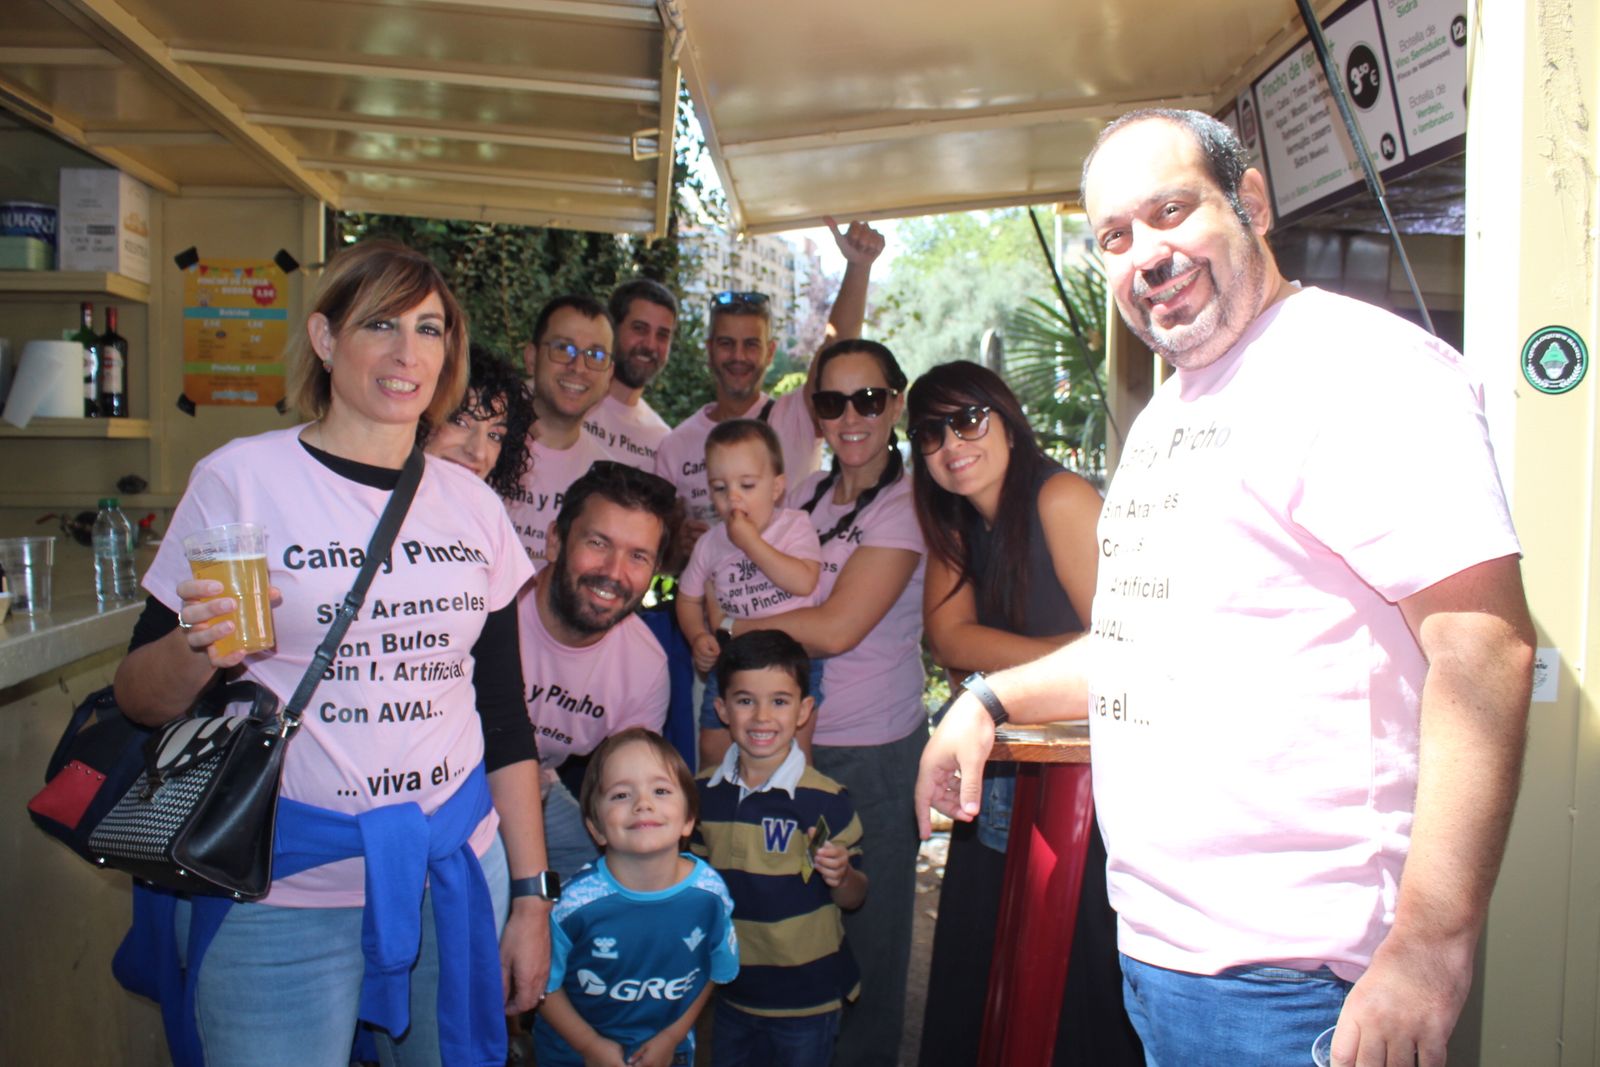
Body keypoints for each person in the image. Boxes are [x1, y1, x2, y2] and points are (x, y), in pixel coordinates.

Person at [916, 109, 1535, 1067]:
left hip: (1300, 986)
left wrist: (1429, 947)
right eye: (1115, 236)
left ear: (1250, 202)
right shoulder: (1171, 409)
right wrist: (988, 700)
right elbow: (1143, 644)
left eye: (1171, 211)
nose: (1147, 254)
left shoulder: (1361, 370)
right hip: (1163, 958)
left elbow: (1484, 647)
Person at [110, 239, 554, 1067]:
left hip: (452, 876)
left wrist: (531, 894)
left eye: (429, 329)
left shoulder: (473, 507)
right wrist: (201, 647)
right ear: (324, 338)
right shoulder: (242, 480)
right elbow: (138, 696)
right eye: (380, 324)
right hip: (281, 890)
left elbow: (503, 715)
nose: (407, 352)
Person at [907, 361, 1138, 1066]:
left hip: (1086, 786)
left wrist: (1001, 679)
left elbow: (1125, 647)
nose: (952, 443)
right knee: (985, 977)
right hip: (1003, 770)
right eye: (930, 433)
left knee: (1072, 988)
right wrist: (1060, 666)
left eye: (968, 420)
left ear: (1007, 420)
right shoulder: (955, 521)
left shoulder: (1058, 497)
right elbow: (949, 640)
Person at [731, 338, 924, 1067]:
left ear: (895, 404)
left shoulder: (907, 505)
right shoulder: (805, 493)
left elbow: (839, 627)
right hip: (786, 749)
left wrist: (733, 629)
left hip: (872, 754)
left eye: (867, 399)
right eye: (832, 401)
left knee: (868, 944)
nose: (850, 417)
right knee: (787, 935)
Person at [653, 218, 884, 558]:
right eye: (727, 344)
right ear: (709, 349)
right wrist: (679, 546)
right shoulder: (674, 446)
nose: (738, 356)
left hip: (795, 588)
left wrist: (858, 267)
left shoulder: (795, 417)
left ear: (770, 352)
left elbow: (834, 352)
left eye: (751, 344)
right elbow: (658, 551)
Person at [691, 630, 865, 1067]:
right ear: (722, 709)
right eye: (745, 700)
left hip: (808, 998)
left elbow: (855, 896)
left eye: (780, 701)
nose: (762, 716)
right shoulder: (700, 796)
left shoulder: (826, 800)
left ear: (804, 711)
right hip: (733, 992)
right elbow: (696, 886)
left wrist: (842, 875)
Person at [534, 728, 739, 1067]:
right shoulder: (572, 906)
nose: (643, 804)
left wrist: (672, 1037)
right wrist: (588, 1045)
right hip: (574, 1055)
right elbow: (541, 984)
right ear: (596, 827)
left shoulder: (710, 895)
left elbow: (714, 969)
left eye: (661, 791)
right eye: (620, 795)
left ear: (689, 819)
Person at [516, 460, 677, 881]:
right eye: (598, 543)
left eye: (637, 556)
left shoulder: (645, 666)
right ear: (555, 541)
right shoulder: (494, 609)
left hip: (539, 788)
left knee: (608, 878)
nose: (613, 573)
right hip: (452, 787)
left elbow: (634, 789)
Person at [676, 418, 823, 769]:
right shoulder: (710, 543)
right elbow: (688, 598)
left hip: (792, 660)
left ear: (776, 488)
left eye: (746, 485)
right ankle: (717, 801)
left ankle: (795, 800)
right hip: (733, 660)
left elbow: (804, 581)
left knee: (794, 754)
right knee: (712, 747)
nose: (733, 498)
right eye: (719, 488)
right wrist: (697, 636)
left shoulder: (795, 526)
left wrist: (750, 543)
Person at [507, 294, 615, 565]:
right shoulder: (479, 446)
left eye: (596, 355)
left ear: (609, 375)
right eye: (563, 348)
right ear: (532, 358)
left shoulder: (607, 480)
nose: (578, 367)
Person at [581, 278, 677, 469]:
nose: (650, 345)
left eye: (662, 335)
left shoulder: (662, 440)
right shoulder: (569, 401)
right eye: (639, 329)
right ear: (612, 329)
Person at [418, 342, 535, 499]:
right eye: (460, 422)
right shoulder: (383, 497)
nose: (478, 452)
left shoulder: (489, 513)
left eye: (494, 436)